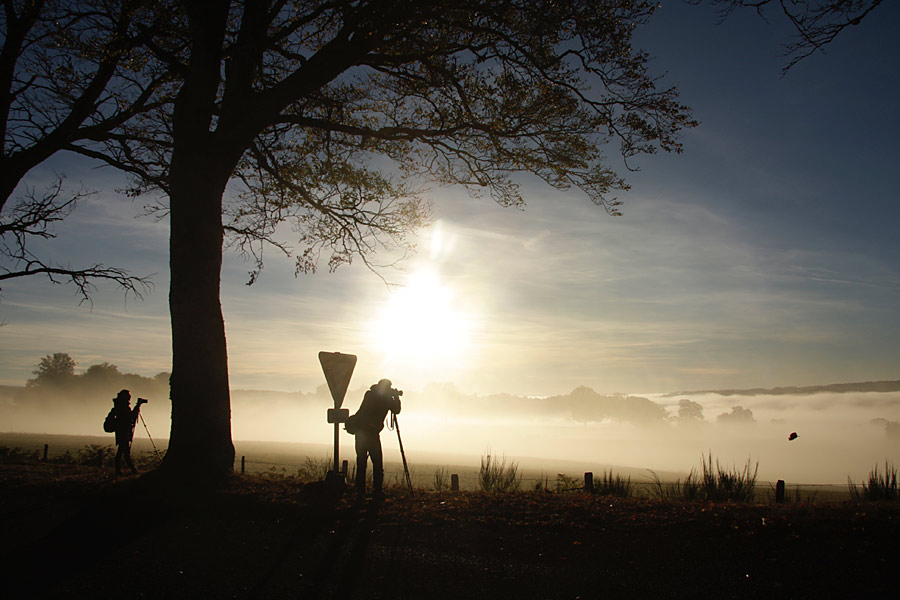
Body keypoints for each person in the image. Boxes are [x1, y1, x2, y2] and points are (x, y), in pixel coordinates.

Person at [350, 378, 401, 499]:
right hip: (372, 434)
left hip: (361, 432)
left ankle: (360, 491)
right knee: (377, 464)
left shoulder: (369, 394)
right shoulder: (385, 398)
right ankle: (377, 491)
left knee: (361, 463)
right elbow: (396, 410)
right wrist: (396, 397)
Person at [108, 389, 146, 476]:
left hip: (122, 431)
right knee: (124, 451)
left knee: (122, 451)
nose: (129, 397)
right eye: (128, 396)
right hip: (123, 431)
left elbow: (129, 417)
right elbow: (130, 417)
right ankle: (130, 470)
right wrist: (138, 406)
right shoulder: (122, 406)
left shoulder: (119, 405)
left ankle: (123, 470)